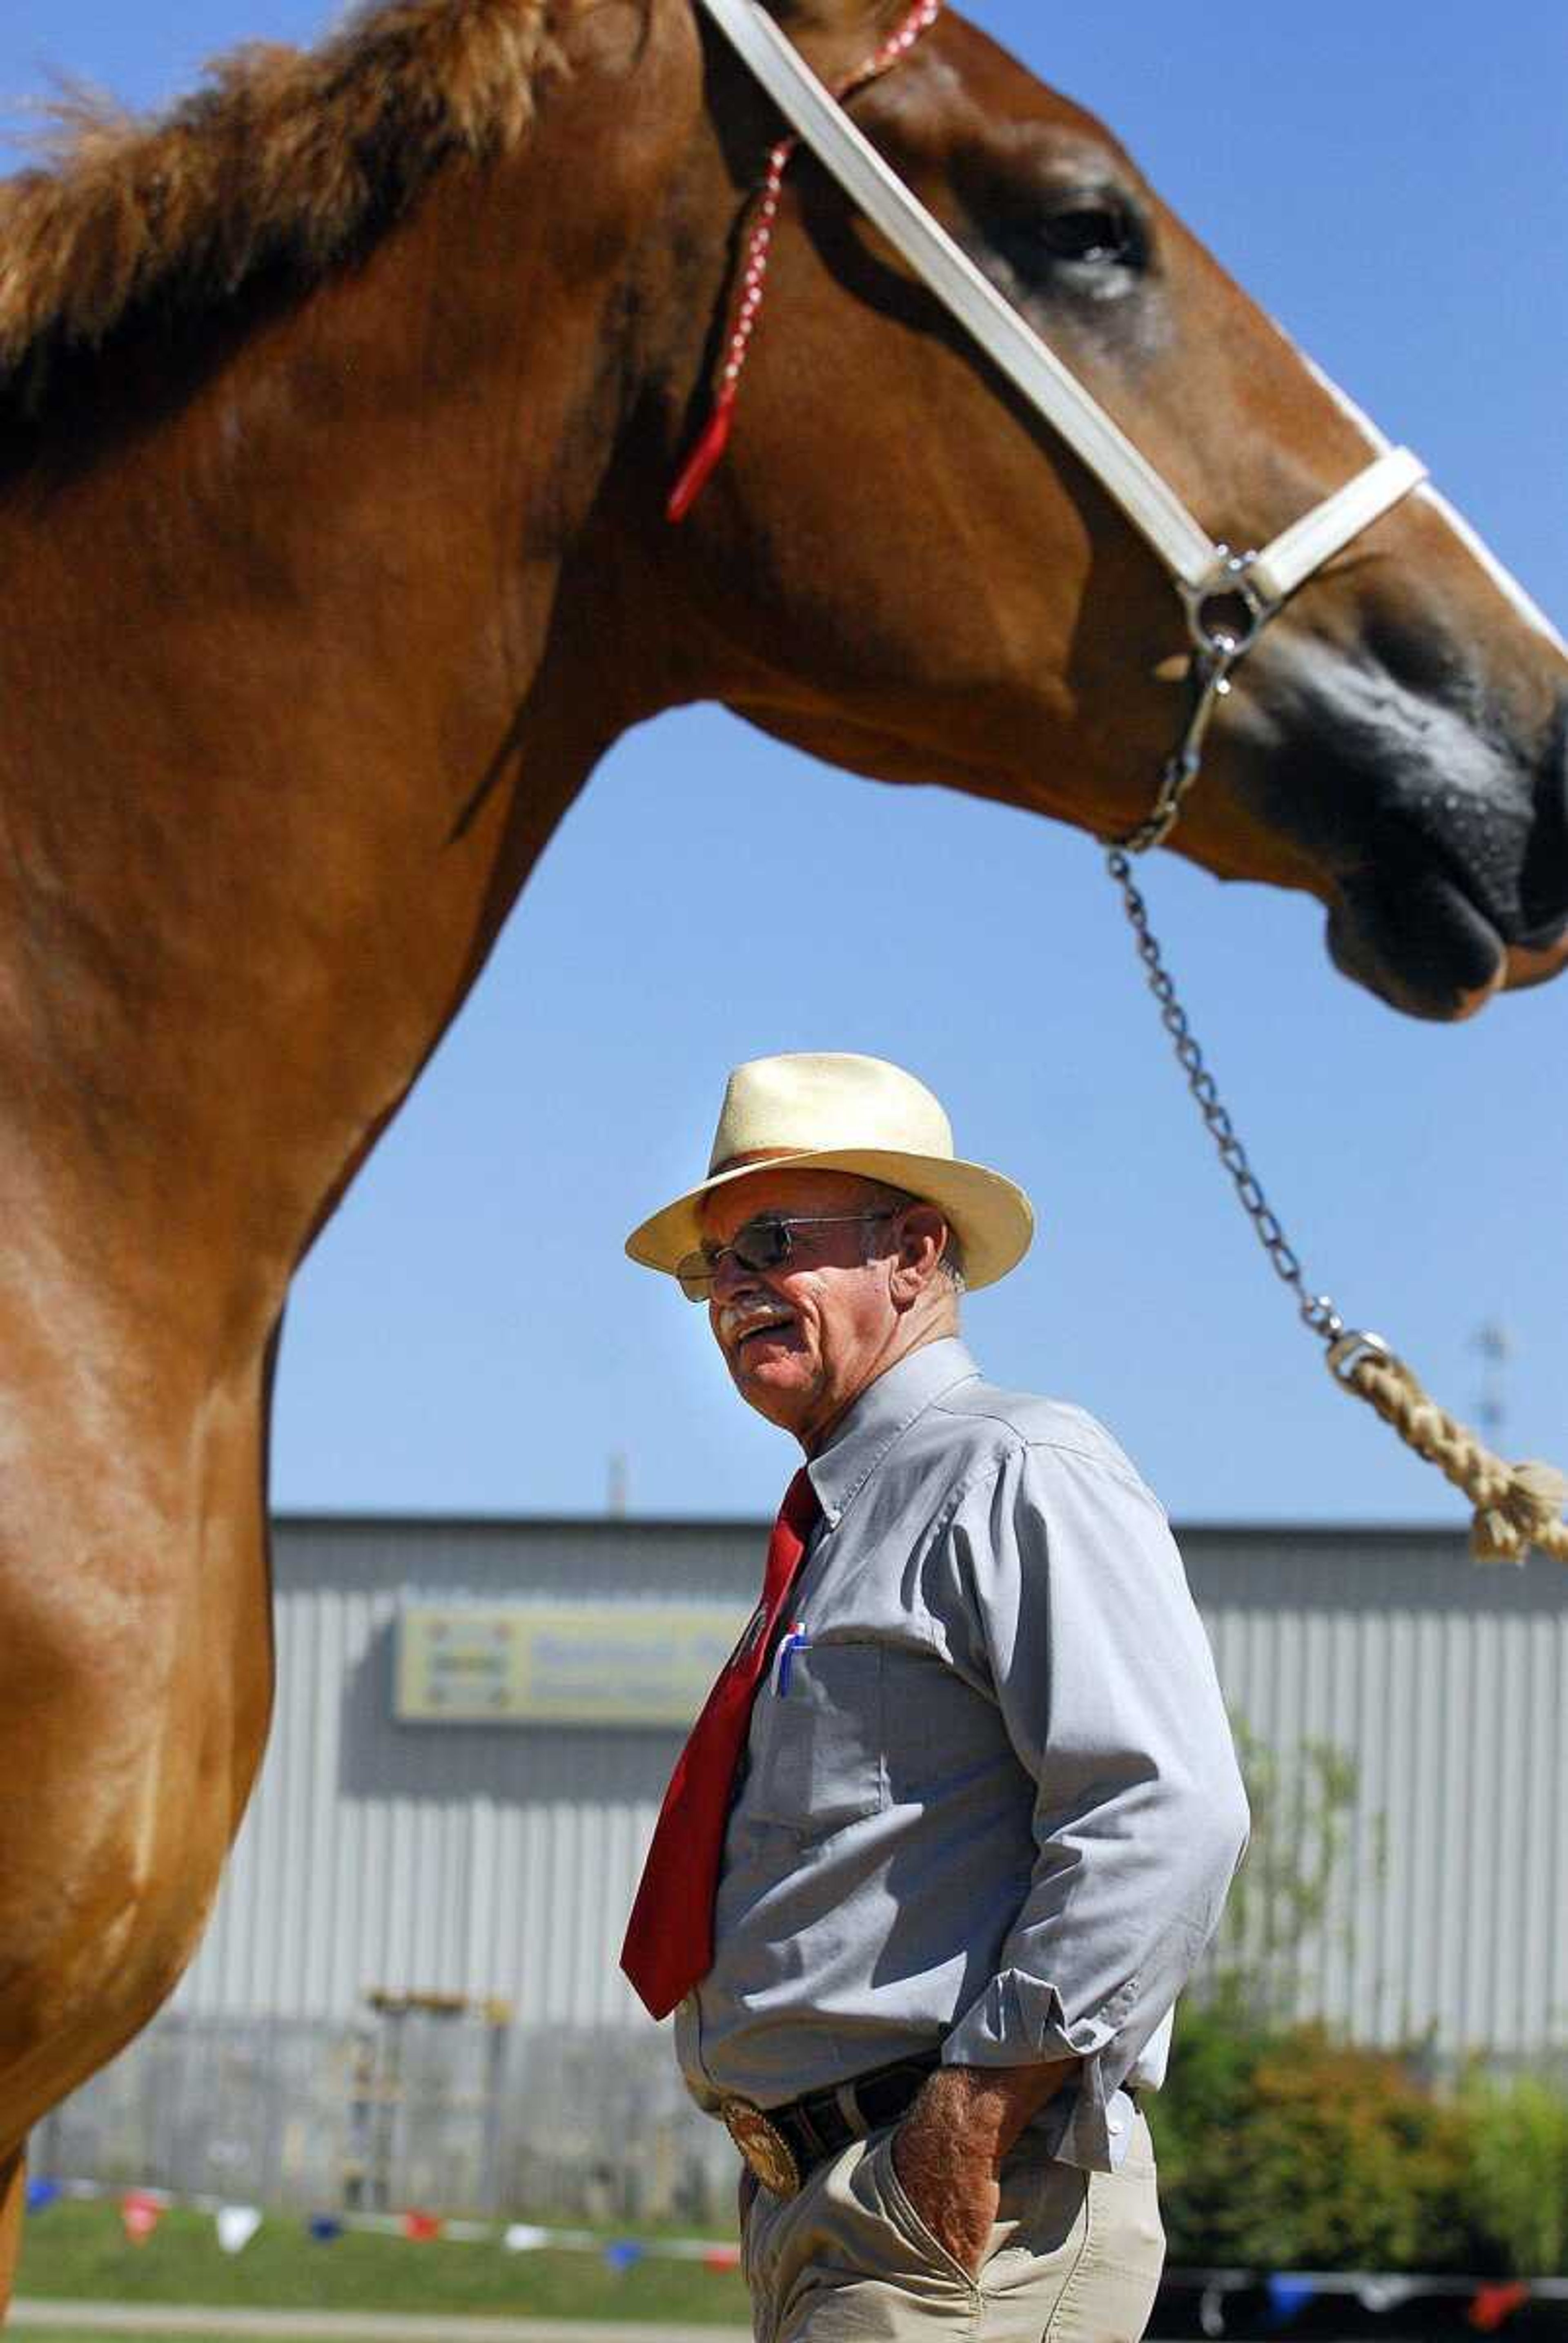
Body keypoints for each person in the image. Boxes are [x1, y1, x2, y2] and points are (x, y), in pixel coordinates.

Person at [620, 1052, 1249, 2343]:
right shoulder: (848, 1522)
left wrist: (972, 2112)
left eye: (775, 1242)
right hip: (836, 2203)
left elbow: (1164, 1812)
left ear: (913, 1253)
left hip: (964, 2206)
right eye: (716, 1265)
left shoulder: (1012, 1469)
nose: (737, 1289)